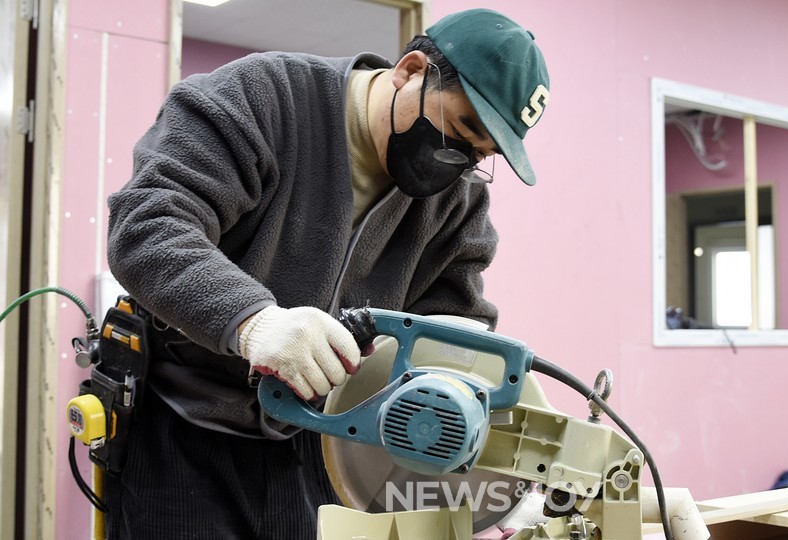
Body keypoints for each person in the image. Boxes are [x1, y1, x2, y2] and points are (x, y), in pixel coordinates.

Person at [103, 7, 550, 539]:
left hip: (324, 442)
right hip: (186, 427)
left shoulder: (458, 204)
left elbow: (451, 339)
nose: (457, 163)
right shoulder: (263, 97)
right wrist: (254, 323)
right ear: (409, 70)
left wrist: (491, 483)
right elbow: (148, 225)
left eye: (480, 154)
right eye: (459, 131)